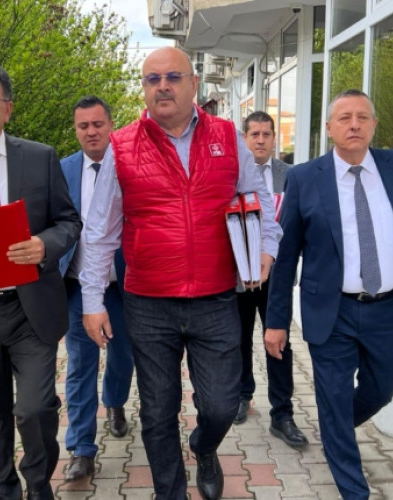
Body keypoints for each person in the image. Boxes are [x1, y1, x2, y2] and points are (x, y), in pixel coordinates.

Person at [79, 47, 281, 500]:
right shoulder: (121, 146)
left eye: (173, 77)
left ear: (194, 84)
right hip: (149, 303)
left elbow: (258, 197)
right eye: (153, 79)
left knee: (222, 404)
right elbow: (100, 231)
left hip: (216, 297)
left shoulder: (227, 136)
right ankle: (169, 492)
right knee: (157, 410)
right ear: (144, 89)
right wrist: (92, 301)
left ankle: (204, 446)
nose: (163, 86)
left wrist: (268, 245)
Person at [265, 89, 393, 500]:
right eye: (344, 118)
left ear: (374, 125)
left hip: (389, 307)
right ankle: (353, 489)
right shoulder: (304, 177)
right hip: (331, 311)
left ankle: (335, 428)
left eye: (363, 117)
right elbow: (286, 254)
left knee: (383, 388)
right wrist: (276, 322)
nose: (354, 125)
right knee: (333, 394)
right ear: (329, 128)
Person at [0, 61, 81, 499]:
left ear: (7, 108)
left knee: (35, 409)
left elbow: (69, 222)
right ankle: (0, 490)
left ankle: (38, 486)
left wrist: (44, 246)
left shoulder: (40, 158)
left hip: (30, 310)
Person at [59, 96, 134, 482]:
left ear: (111, 125)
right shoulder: (62, 170)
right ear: (76, 130)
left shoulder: (130, 165)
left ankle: (115, 402)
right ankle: (81, 449)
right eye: (83, 126)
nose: (91, 132)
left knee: (123, 356)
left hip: (123, 284)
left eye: (97, 124)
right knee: (80, 364)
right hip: (78, 286)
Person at [235, 111, 308, 448]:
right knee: (239, 339)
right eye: (255, 134)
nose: (261, 140)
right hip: (240, 276)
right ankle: (242, 395)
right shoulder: (232, 174)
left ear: (274, 138)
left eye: (266, 134)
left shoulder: (291, 176)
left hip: (276, 277)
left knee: (279, 342)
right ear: (245, 138)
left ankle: (282, 413)